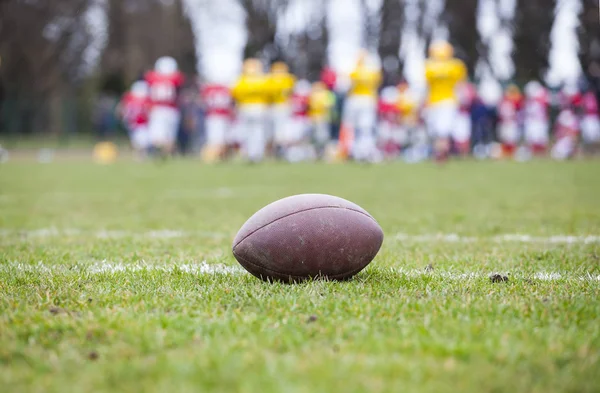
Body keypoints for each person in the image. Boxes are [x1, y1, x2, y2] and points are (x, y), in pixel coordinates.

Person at [424, 40, 467, 162]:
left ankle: (440, 154)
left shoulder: (429, 65)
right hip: (447, 101)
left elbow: (426, 86)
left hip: (437, 101)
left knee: (440, 130)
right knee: (441, 130)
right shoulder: (456, 65)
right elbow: (460, 86)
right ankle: (441, 153)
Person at [343, 50, 383, 162]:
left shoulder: (354, 72)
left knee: (354, 127)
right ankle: (364, 151)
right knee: (365, 128)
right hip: (367, 100)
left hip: (355, 100)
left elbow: (347, 87)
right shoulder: (372, 72)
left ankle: (355, 151)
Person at [145, 56, 185, 157]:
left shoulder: (152, 77)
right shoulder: (176, 77)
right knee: (169, 136)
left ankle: (160, 154)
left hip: (157, 109)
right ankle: (167, 154)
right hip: (171, 109)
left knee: (157, 137)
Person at [232, 58, 270, 163]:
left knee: (249, 132)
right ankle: (255, 154)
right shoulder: (263, 80)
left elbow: (235, 94)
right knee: (256, 132)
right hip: (258, 108)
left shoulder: (241, 80)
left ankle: (250, 153)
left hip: (247, 108)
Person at [267, 62, 296, 157]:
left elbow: (290, 93)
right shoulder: (270, 80)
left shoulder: (288, 79)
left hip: (284, 107)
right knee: (274, 131)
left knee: (284, 130)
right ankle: (276, 150)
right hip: (273, 107)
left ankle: (282, 150)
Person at [200, 82, 234, 163]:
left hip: (212, 116)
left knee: (216, 140)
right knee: (220, 140)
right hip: (223, 116)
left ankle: (217, 157)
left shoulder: (209, 88)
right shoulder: (226, 88)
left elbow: (203, 102)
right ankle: (213, 157)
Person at [117, 80, 151, 159]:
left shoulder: (129, 98)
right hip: (140, 123)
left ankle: (140, 155)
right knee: (142, 142)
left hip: (131, 123)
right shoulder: (145, 100)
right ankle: (140, 156)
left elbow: (120, 109)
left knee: (139, 141)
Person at [309, 82, 335, 159]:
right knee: (315, 138)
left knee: (323, 137)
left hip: (323, 118)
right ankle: (316, 154)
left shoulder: (326, 94)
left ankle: (324, 154)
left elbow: (329, 106)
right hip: (314, 118)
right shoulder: (313, 95)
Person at [523, 80, 550, 156]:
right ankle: (532, 155)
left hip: (539, 122)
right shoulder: (528, 101)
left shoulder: (541, 98)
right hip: (531, 122)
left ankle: (542, 155)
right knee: (531, 141)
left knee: (540, 141)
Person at [497, 84, 524, 158]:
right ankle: (505, 154)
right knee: (504, 139)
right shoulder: (503, 101)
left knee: (511, 140)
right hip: (504, 123)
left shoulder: (515, 101)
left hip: (512, 123)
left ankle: (512, 154)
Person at [377, 85, 401, 159]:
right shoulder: (383, 104)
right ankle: (383, 153)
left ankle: (392, 153)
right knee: (384, 137)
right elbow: (382, 113)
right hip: (386, 125)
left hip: (393, 126)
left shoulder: (396, 103)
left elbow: (396, 115)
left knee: (395, 137)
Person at [453, 82, 476, 156]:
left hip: (465, 115)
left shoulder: (468, 89)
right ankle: (460, 153)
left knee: (465, 135)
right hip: (457, 115)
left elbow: (472, 100)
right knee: (458, 135)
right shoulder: (454, 88)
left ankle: (465, 153)